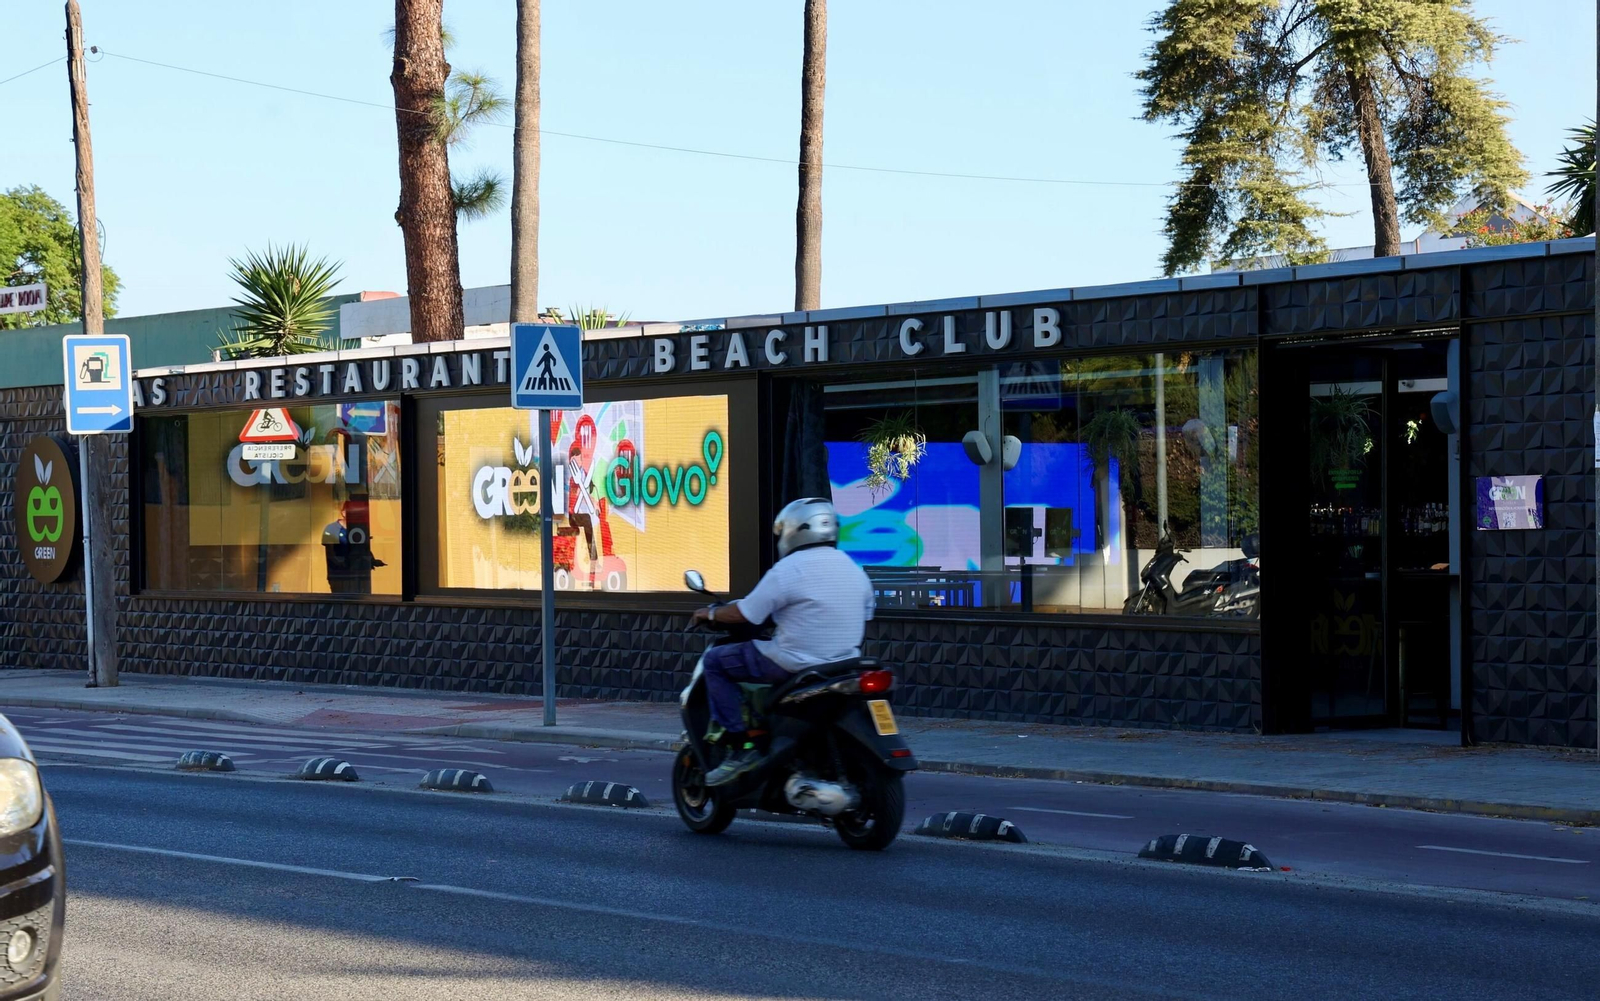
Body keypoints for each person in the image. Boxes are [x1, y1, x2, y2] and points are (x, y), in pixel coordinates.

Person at [691, 497, 875, 786]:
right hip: (843, 666)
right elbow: (863, 614)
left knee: (715, 662)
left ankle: (740, 746)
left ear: (794, 530)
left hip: (792, 663)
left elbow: (745, 613)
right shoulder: (854, 570)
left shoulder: (789, 570)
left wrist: (711, 612)